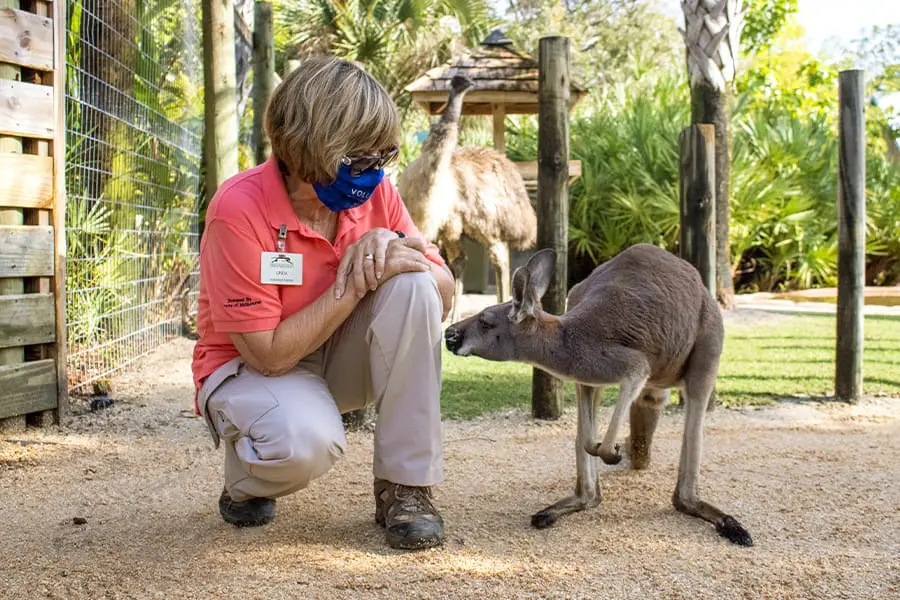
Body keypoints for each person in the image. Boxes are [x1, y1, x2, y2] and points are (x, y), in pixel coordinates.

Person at [191, 57, 455, 551]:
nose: (373, 173)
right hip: (252, 367)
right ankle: (246, 478)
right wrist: (354, 283)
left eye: (383, 156)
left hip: (336, 358)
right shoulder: (238, 209)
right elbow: (268, 355)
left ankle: (406, 488)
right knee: (302, 444)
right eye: (359, 159)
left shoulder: (377, 195)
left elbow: (443, 292)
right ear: (311, 146)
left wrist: (396, 250)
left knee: (415, 284)